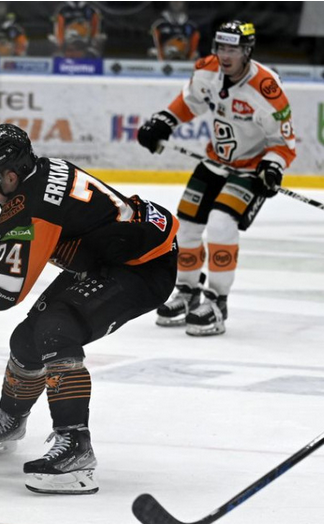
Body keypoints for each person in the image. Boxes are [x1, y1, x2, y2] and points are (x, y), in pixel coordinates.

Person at [0, 124, 179, 494]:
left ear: (11, 175)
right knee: (27, 339)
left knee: (55, 329)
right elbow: (17, 260)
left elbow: (5, 292)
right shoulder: (39, 175)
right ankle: (12, 418)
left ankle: (76, 447)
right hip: (111, 256)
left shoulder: (32, 207)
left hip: (143, 269)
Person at [137, 21, 296, 336]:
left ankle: (217, 300)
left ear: (246, 51)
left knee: (222, 222)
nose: (225, 55)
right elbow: (190, 102)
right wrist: (163, 122)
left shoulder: (266, 89)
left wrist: (272, 167)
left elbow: (283, 143)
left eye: (233, 49)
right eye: (221, 47)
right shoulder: (207, 71)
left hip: (251, 167)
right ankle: (187, 290)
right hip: (215, 161)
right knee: (187, 225)